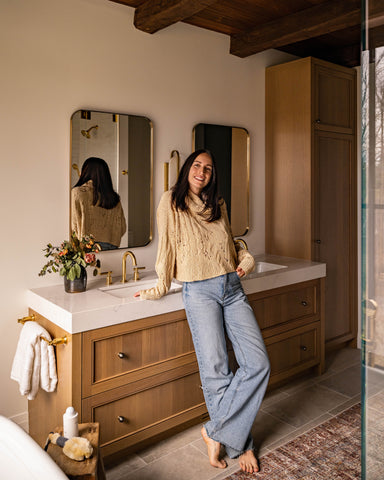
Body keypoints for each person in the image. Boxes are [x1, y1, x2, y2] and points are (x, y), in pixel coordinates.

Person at [134, 149, 270, 474]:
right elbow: (165, 248)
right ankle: (242, 444)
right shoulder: (171, 201)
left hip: (232, 287)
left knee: (258, 362)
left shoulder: (218, 203)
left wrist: (247, 260)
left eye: (208, 168)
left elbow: (233, 246)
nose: (202, 171)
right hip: (200, 291)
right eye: (197, 165)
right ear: (187, 169)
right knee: (217, 371)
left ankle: (213, 431)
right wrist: (158, 287)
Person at [71, 157, 126, 250]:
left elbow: (74, 224)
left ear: (85, 172)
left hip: (86, 246)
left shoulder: (77, 193)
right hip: (111, 246)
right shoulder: (114, 197)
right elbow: (122, 227)